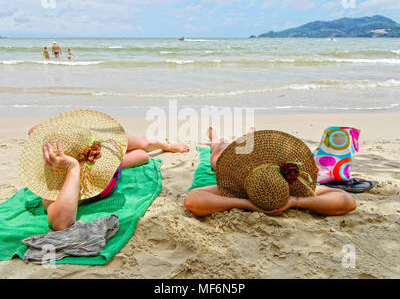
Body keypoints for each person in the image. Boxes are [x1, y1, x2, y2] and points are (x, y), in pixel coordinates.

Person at [22, 110, 189, 231]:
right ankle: (145, 150)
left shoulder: (51, 187)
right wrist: (73, 168)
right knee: (141, 156)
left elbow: (35, 131)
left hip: (100, 151)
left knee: (143, 145)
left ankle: (164, 145)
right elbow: (61, 223)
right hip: (103, 176)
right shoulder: (54, 190)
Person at [184, 127, 356, 217]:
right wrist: (294, 201)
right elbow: (346, 201)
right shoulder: (294, 187)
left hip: (241, 169)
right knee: (226, 148)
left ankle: (217, 138)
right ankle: (244, 134)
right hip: (265, 162)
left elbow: (193, 200)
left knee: (220, 151)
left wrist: (247, 204)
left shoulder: (241, 190)